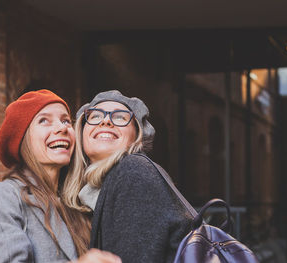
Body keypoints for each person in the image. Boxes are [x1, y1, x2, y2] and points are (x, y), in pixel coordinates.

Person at [0, 90, 121, 263]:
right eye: (44, 121)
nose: (62, 128)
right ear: (23, 139)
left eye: (65, 120)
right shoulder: (4, 196)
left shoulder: (77, 203)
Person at [63, 90, 194, 263]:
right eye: (95, 116)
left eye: (120, 117)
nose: (106, 121)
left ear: (136, 137)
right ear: (81, 132)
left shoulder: (133, 172)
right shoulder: (106, 188)